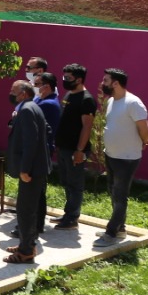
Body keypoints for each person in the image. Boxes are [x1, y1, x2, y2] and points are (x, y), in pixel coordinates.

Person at [95, 68, 148, 248]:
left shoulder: (133, 103)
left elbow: (145, 130)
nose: (102, 83)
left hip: (127, 158)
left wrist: (144, 141)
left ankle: (111, 233)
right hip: (111, 154)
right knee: (113, 191)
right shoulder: (112, 101)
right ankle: (120, 229)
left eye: (105, 80)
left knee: (120, 196)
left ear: (116, 83)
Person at [4, 80, 50, 264]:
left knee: (26, 210)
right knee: (27, 208)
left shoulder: (27, 110)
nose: (10, 93)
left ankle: (26, 252)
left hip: (32, 170)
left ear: (23, 93)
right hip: (35, 167)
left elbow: (31, 142)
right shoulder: (31, 107)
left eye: (13, 90)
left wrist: (25, 169)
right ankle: (26, 243)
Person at [51, 63, 97, 230]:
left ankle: (72, 218)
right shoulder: (69, 94)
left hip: (75, 149)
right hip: (63, 147)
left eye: (68, 78)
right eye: (64, 76)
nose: (65, 80)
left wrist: (79, 150)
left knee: (75, 184)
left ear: (79, 79)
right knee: (66, 182)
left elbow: (87, 127)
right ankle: (67, 213)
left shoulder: (86, 100)